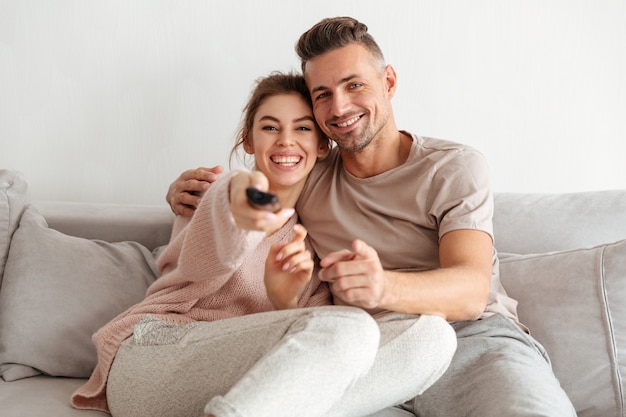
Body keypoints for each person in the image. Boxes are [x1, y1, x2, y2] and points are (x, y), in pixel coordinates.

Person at [167, 17, 577, 417]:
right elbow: (252, 188)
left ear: (390, 82)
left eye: (354, 85)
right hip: (363, 355)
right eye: (322, 94)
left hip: (471, 340)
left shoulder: (452, 168)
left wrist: (381, 287)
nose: (340, 106)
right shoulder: (310, 172)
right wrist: (186, 190)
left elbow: (471, 290)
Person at [71, 72, 456, 417]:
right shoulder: (209, 195)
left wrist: (283, 299)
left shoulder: (314, 239)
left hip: (243, 385)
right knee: (350, 328)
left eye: (303, 129)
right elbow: (224, 222)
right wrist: (248, 199)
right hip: (155, 357)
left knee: (432, 337)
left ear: (323, 145)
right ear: (249, 141)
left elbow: (302, 349)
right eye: (270, 128)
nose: (286, 141)